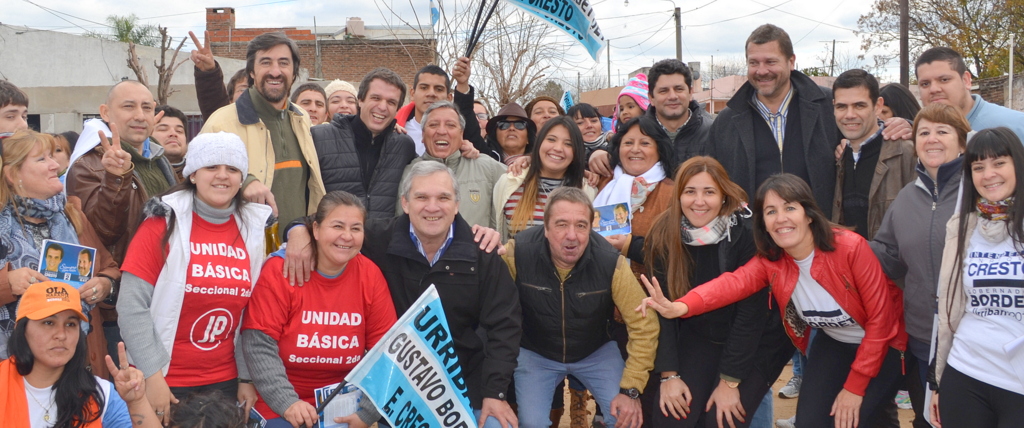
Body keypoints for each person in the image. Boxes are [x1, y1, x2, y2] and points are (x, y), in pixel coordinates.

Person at [639, 173, 907, 428]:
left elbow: (881, 322)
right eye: (770, 212)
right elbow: (732, 284)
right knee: (809, 422)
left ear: (809, 214)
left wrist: (853, 388)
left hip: (884, 344)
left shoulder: (851, 248)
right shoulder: (774, 261)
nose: (781, 219)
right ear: (763, 223)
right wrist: (680, 306)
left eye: (789, 208)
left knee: (851, 418)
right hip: (834, 341)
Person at [283, 161, 520, 427]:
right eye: (422, 197)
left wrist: (494, 392)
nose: (432, 207)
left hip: (467, 380)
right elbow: (326, 226)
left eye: (443, 198)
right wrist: (298, 232)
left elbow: (505, 326)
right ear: (405, 203)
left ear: (457, 205)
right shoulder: (376, 238)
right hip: (399, 386)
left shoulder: (482, 251)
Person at [118, 133, 271, 425]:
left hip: (224, 383)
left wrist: (246, 376)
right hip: (166, 380)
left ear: (242, 178)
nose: (222, 176)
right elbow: (131, 306)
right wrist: (153, 377)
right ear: (193, 173)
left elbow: (250, 314)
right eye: (212, 167)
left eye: (233, 169)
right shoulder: (162, 222)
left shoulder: (253, 227)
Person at [643, 156, 792, 428]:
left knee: (720, 420)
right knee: (672, 418)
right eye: (690, 191)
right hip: (699, 337)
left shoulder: (748, 234)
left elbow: (751, 316)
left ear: (724, 196)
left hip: (756, 341)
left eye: (709, 192)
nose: (699, 201)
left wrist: (729, 382)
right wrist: (669, 375)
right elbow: (662, 310)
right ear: (678, 196)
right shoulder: (664, 234)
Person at [503, 186, 659, 428]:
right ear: (545, 228)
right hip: (536, 352)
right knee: (531, 423)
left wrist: (631, 389)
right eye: (561, 224)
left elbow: (644, 325)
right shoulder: (517, 252)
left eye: (581, 225)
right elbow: (491, 312)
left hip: (595, 351)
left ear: (591, 228)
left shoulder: (610, 262)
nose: (572, 235)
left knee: (626, 420)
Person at [243, 191, 396, 428]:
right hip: (281, 403)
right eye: (337, 226)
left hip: (345, 405)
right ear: (315, 230)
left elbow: (386, 351)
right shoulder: (280, 270)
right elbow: (258, 345)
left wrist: (367, 413)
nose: (346, 236)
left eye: (356, 229)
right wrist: (288, 403)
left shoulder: (370, 275)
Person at [869, 103, 971, 427]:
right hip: (922, 339)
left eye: (942, 131)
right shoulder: (905, 199)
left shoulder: (980, 193)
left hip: (973, 340)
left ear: (963, 142)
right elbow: (888, 258)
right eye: (924, 132)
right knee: (926, 421)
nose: (931, 139)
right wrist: (845, 245)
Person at [0, 130, 120, 377]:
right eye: (42, 159)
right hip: (14, 368)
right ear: (13, 175)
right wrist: (7, 283)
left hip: (77, 365)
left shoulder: (72, 214)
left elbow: (110, 267)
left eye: (53, 155)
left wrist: (104, 285)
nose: (55, 165)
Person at [932, 127, 1024, 427]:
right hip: (966, 372)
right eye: (978, 167)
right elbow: (948, 309)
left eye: (999, 163)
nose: (988, 174)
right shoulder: (963, 227)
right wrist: (938, 381)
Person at [200, 32, 327, 232]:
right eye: (266, 62)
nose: (275, 72)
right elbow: (200, 184)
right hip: (241, 250)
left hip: (299, 250)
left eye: (284, 63)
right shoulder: (221, 123)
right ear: (251, 71)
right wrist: (245, 182)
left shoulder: (302, 118)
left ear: (294, 72)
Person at [0, 281, 162, 427]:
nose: (61, 335)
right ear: (21, 330)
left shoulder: (101, 393)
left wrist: (136, 402)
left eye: (70, 324)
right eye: (48, 323)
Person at [66, 80, 177, 265]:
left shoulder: (160, 160)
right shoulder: (89, 165)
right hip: (124, 279)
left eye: (147, 108)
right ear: (105, 112)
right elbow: (102, 235)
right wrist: (116, 179)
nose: (140, 116)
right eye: (129, 107)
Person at [311, 67, 416, 218]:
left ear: (397, 109)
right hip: (333, 239)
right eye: (376, 98)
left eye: (391, 102)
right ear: (360, 99)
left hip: (384, 240)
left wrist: (461, 149)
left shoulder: (404, 146)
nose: (382, 107)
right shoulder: (319, 138)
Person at [830, 69, 916, 240]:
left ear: (878, 106)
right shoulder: (838, 156)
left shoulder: (907, 153)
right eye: (841, 106)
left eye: (859, 105)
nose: (849, 115)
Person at [593, 59, 712, 178]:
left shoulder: (713, 131)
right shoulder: (634, 131)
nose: (672, 96)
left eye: (679, 89)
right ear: (651, 98)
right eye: (663, 91)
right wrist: (595, 155)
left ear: (690, 93)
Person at [593, 115, 677, 277]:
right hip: (599, 287)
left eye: (645, 143)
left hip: (650, 293)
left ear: (659, 149)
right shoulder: (600, 182)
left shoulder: (673, 193)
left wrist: (629, 246)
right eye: (628, 143)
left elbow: (676, 253)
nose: (635, 149)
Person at [401, 101, 506, 228]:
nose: (441, 131)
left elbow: (528, 180)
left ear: (461, 134)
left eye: (450, 125)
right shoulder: (404, 173)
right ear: (422, 134)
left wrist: (525, 161)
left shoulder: (488, 168)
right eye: (433, 125)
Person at [493, 115, 596, 240]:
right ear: (539, 143)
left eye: (568, 144)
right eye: (551, 140)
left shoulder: (588, 191)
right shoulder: (509, 183)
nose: (558, 148)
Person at [915, 46, 1024, 140]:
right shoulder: (917, 137)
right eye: (925, 84)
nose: (934, 89)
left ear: (966, 80)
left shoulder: (1017, 127)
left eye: (944, 80)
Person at [188, 30, 247, 121]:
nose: (249, 94)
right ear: (230, 100)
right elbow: (213, 102)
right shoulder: (222, 124)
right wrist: (208, 72)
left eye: (254, 90)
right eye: (243, 89)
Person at [153, 105, 190, 183]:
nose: (173, 134)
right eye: (163, 129)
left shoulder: (198, 176)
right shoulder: (133, 173)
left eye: (179, 131)